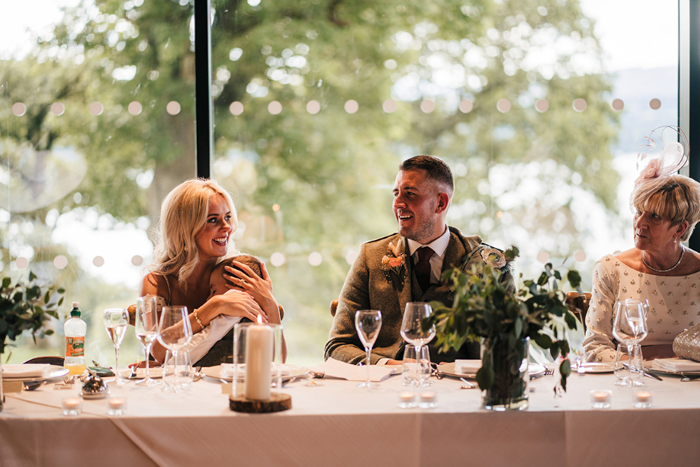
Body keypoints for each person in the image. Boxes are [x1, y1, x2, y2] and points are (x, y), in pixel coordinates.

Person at [324, 155, 514, 365]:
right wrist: (390, 366)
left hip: (460, 392)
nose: (397, 203)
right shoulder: (370, 257)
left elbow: (507, 349)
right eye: (396, 193)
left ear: (441, 202)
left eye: (410, 194)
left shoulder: (491, 266)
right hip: (384, 391)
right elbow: (337, 347)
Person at [583, 129, 700, 362]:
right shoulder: (610, 269)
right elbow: (594, 349)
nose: (639, 223)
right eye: (638, 211)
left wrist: (647, 355)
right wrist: (650, 362)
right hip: (630, 384)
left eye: (654, 217)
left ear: (679, 229)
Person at [141, 179, 283, 363]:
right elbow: (159, 351)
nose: (227, 227)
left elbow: (277, 361)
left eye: (228, 217)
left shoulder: (238, 273)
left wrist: (270, 303)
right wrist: (215, 306)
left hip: (231, 386)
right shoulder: (157, 283)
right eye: (213, 220)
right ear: (185, 228)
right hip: (179, 388)